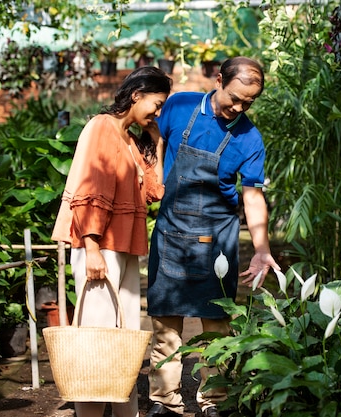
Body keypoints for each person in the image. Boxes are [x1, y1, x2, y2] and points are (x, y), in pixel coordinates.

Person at [146, 56, 280, 417]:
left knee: (217, 328)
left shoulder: (249, 137)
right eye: (234, 98)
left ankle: (213, 401)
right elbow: (155, 134)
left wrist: (261, 247)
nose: (237, 108)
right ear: (219, 79)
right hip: (172, 232)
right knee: (165, 325)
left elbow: (252, 195)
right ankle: (165, 401)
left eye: (247, 103)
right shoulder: (180, 105)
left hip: (216, 236)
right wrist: (156, 170)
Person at [51, 66, 172, 417]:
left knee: (124, 339)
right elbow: (89, 188)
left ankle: (125, 413)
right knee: (97, 341)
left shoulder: (131, 141)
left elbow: (154, 191)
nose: (158, 112)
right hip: (99, 247)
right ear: (137, 95)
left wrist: (157, 139)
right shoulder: (101, 127)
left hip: (123, 249)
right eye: (157, 104)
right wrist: (90, 248)